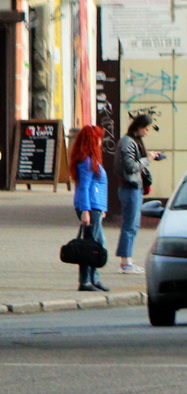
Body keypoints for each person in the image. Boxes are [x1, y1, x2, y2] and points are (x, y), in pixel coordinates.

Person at [116, 113, 163, 274]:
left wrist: (150, 157)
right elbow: (131, 166)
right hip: (130, 187)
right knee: (130, 225)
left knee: (133, 225)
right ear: (140, 127)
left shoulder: (133, 140)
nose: (148, 132)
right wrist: (148, 158)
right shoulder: (128, 141)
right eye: (147, 129)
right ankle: (125, 261)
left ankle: (127, 259)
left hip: (135, 187)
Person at [69, 125, 109, 292]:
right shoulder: (87, 161)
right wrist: (86, 211)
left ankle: (93, 279)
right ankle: (85, 281)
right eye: (98, 138)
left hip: (95, 207)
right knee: (90, 246)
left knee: (97, 243)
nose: (101, 141)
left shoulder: (90, 160)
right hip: (90, 206)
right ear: (93, 140)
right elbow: (84, 187)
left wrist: (102, 208)